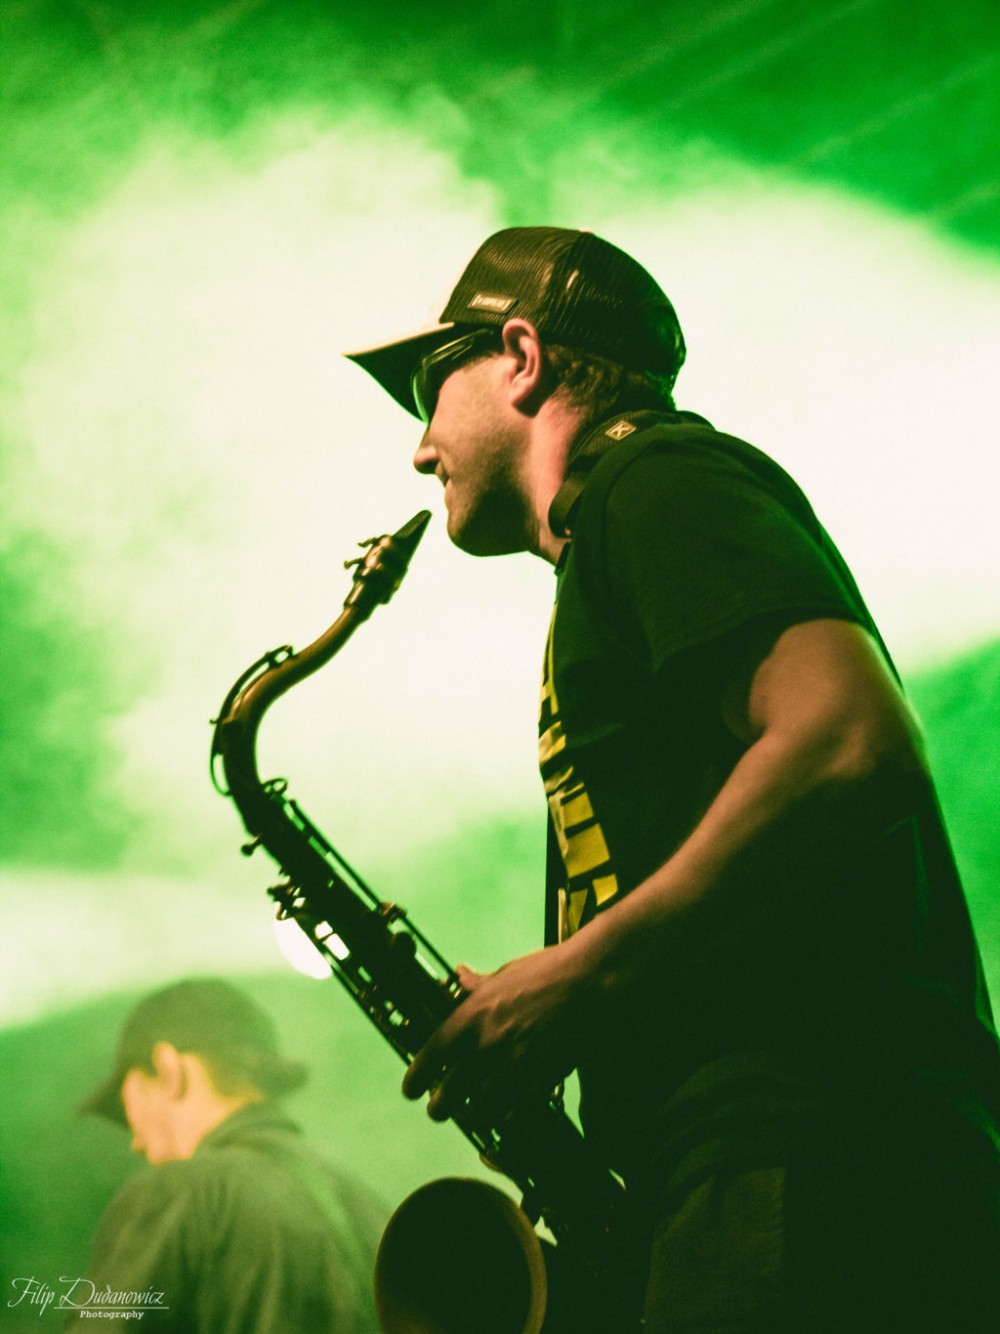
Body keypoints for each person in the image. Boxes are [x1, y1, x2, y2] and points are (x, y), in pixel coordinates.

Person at [345, 226, 1000, 1331]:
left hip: (802, 1158)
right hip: (770, 1168)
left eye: (427, 389)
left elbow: (849, 740)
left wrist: (579, 977)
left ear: (521, 357)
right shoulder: (622, 525)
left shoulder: (656, 480)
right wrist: (563, 999)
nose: (419, 448)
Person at [70, 977, 385, 1331]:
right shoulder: (370, 1206)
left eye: (128, 1110)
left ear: (169, 1069)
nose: (136, 1144)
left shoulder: (178, 1192)